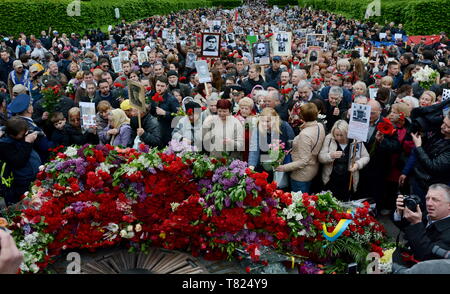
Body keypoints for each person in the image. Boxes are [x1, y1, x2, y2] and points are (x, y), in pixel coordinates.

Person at [392, 184, 450, 269]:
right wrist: (399, 212)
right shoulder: (427, 214)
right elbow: (406, 227)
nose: (429, 203)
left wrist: (416, 223)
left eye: (435, 200)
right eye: (427, 198)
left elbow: (426, 256)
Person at [276, 103, 325, 193]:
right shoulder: (319, 126)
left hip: (301, 175)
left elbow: (304, 161)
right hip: (313, 169)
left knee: (300, 203)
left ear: (301, 116)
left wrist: (283, 168)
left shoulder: (305, 134)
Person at [319, 120, 370, 201]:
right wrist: (330, 155)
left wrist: (357, 164)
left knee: (345, 201)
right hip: (331, 178)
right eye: (337, 135)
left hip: (348, 178)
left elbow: (366, 157)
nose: (338, 138)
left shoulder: (355, 140)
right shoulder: (329, 139)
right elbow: (321, 157)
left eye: (342, 135)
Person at [0, 117, 40, 205]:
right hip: (21, 182)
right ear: (12, 135)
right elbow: (18, 162)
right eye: (22, 134)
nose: (25, 134)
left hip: (34, 176)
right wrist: (27, 142)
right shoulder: (4, 144)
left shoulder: (21, 135)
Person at [248, 107, 294, 180]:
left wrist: (283, 156)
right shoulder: (258, 128)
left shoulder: (284, 126)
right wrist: (251, 166)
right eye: (262, 121)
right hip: (265, 164)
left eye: (267, 121)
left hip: (283, 164)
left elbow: (291, 144)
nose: (264, 124)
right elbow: (254, 148)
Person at [148, 76, 180, 147]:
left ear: (167, 86)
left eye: (162, 86)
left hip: (167, 133)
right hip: (154, 132)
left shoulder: (172, 99)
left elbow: (179, 117)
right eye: (158, 85)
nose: (159, 88)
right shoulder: (152, 97)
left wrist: (165, 113)